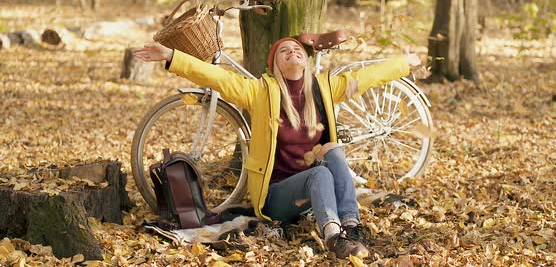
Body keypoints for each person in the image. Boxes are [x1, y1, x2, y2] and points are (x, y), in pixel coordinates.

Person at [134, 37, 421, 259]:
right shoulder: (260, 93)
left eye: (297, 50)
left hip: (310, 196)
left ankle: (351, 225)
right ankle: (334, 237)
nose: (292, 53)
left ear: (306, 61)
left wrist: (405, 63)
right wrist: (172, 56)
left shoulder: (324, 88)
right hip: (276, 198)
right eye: (284, 51)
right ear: (275, 65)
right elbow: (217, 77)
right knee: (319, 175)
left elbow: (369, 76)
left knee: (332, 149)